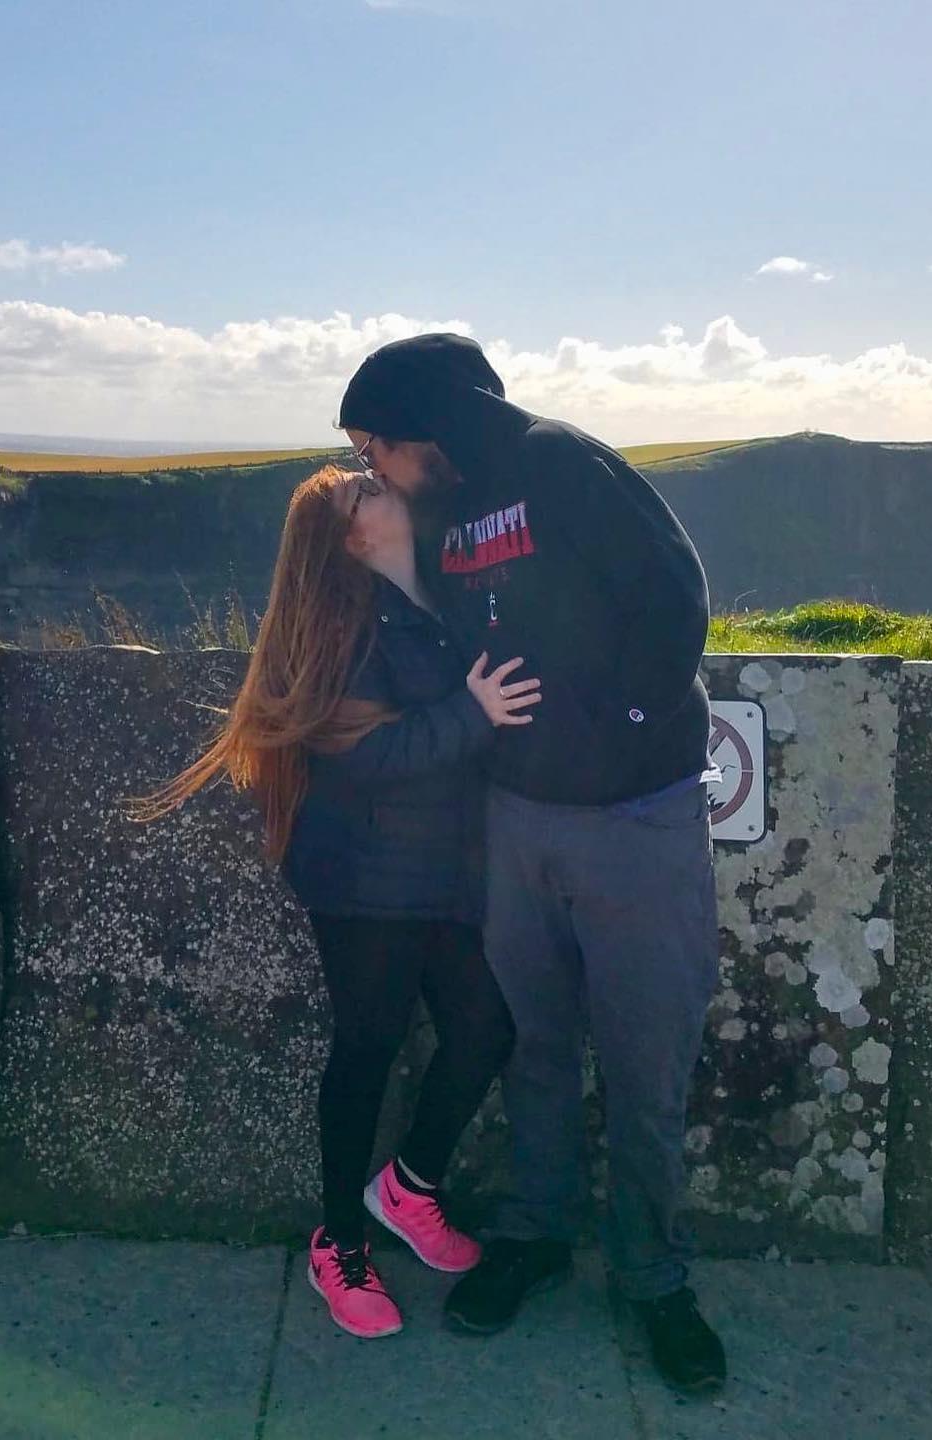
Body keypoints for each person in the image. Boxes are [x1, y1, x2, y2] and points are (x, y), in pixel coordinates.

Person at [337, 335, 727, 1393]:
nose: (373, 464)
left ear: (430, 425)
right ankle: (537, 1235)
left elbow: (676, 592)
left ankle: (653, 1278)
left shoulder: (562, 464)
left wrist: (627, 720)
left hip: (636, 817)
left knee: (648, 1061)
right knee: (535, 1046)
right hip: (516, 818)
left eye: (377, 443)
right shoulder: (450, 504)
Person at [125, 463, 537, 1339]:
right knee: (369, 1048)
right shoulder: (344, 625)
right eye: (368, 493)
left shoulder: (438, 599)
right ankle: (337, 1243)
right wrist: (473, 714)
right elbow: (359, 757)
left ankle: (409, 1188)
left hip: (445, 872)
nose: (384, 490)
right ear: (353, 536)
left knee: (484, 1029)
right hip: (367, 880)